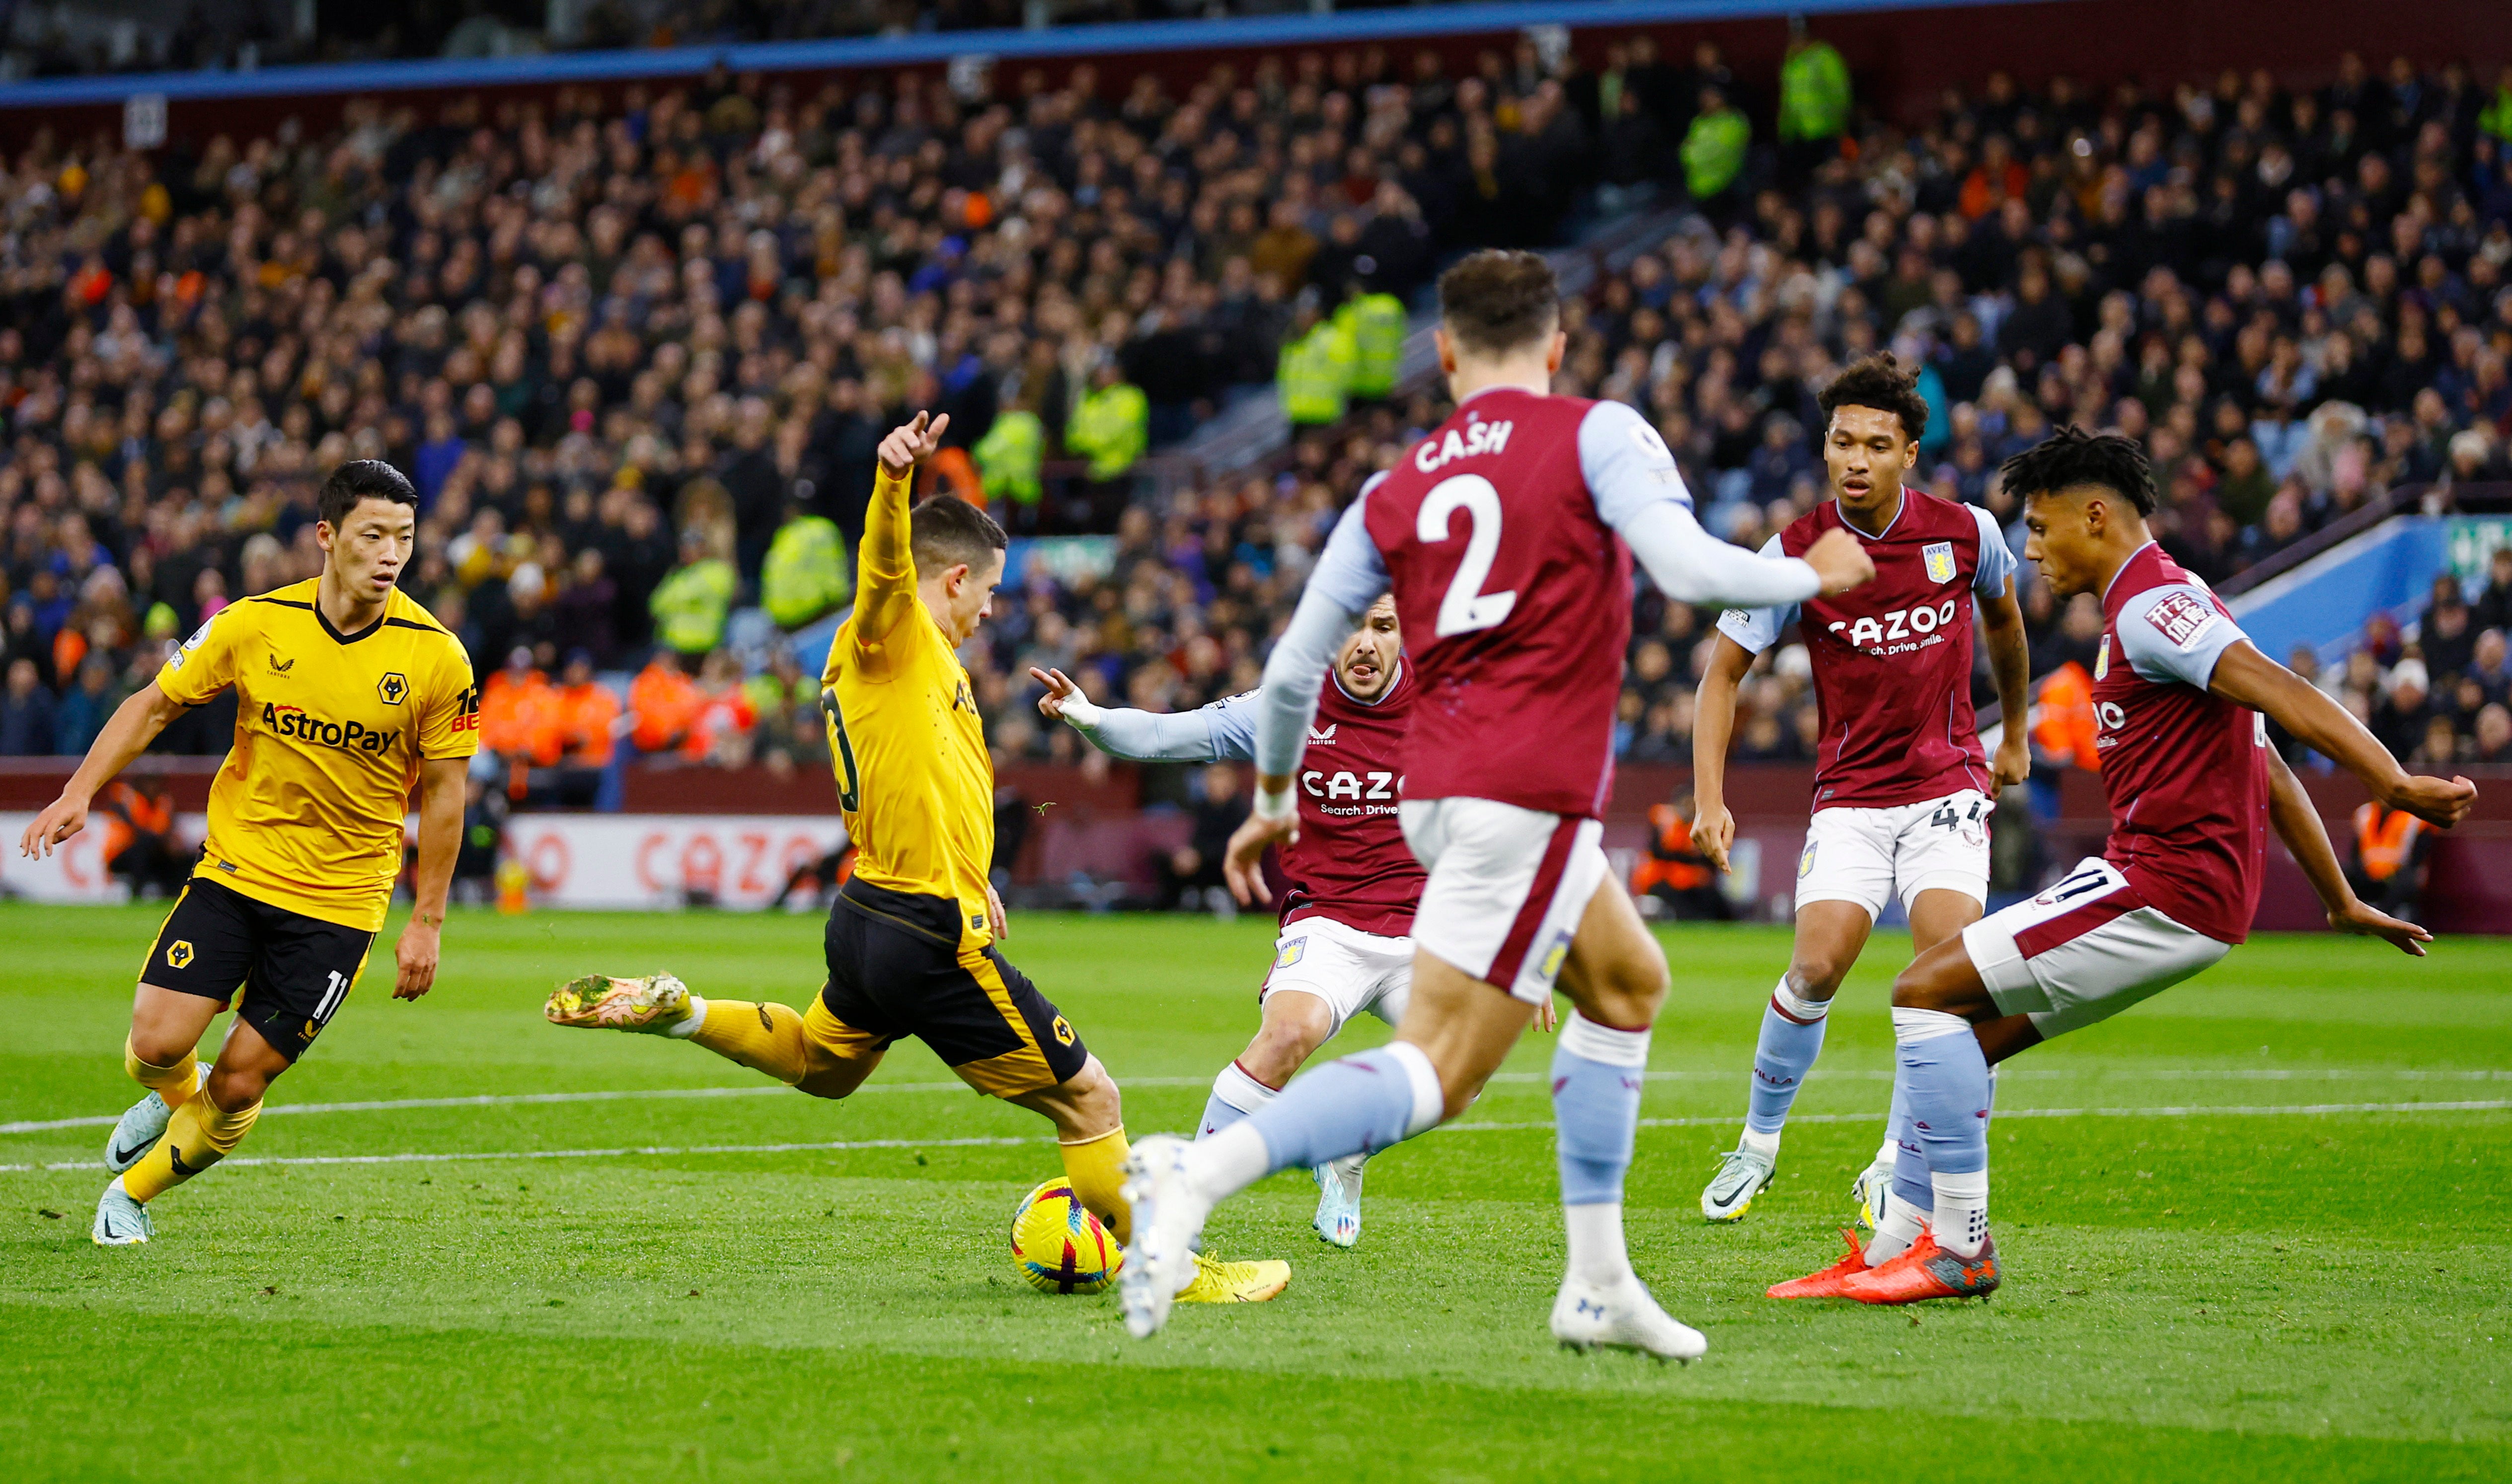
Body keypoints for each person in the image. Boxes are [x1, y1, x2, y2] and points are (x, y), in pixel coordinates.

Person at [1115, 249, 1875, 1353]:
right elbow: (1685, 564)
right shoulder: (1596, 432)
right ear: (1556, 349)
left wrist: (1272, 794)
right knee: (1439, 1070)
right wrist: (1811, 576)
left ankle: (1598, 1281)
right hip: (1520, 789)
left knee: (1625, 985)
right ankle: (1193, 1176)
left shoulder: (1398, 482)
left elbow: (1288, 676)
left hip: (1448, 792)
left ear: (1447, 355)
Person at [545, 411, 1287, 1305]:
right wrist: (891, 484)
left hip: (872, 912)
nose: (992, 611)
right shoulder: (894, 634)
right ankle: (1181, 1274)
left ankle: (683, 1012)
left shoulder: (927, 662)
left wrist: (978, 878)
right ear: (958, 577)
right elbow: (885, 572)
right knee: (1091, 1100)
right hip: (924, 930)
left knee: (827, 1062)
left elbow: (934, 782)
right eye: (989, 592)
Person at [1771, 428, 2473, 1305]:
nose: (2029, 549)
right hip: (2167, 888)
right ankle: (1892, 1244)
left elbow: (2278, 693)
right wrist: (2338, 898)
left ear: (2094, 515)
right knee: (1966, 1034)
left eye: (2039, 526)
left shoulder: (2151, 606)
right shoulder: (2164, 602)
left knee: (1921, 992)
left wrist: (2392, 780)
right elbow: (2261, 759)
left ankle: (1958, 1249)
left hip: (2161, 888)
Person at [18, 460, 476, 1246]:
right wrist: (80, 789)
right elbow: (156, 702)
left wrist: (426, 920)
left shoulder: (437, 658)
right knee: (156, 1047)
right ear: (327, 537)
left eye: (403, 538)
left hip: (339, 905)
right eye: (372, 536)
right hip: (238, 871)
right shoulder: (256, 622)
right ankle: (170, 1094)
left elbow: (444, 796)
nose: (390, 554)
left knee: (238, 1083)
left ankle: (133, 1194)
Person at [1689, 353, 2032, 1225]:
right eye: (1841, 441)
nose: (1853, 459)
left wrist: (2017, 731)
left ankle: (1891, 1159)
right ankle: (1756, 1144)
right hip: (1850, 795)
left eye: (1874, 445)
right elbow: (1721, 674)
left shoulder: (1965, 533)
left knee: (1942, 979)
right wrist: (1708, 798)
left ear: (1908, 452)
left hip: (1947, 788)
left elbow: (2004, 619)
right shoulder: (1795, 550)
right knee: (1813, 966)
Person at [1035, 594, 1466, 1247]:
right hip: (1329, 926)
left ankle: (1347, 1154)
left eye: (1382, 628)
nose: (1366, 644)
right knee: (1290, 1031)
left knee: (1464, 1068)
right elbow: (1163, 736)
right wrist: (1087, 715)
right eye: (1351, 627)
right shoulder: (1287, 706)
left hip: (1423, 935)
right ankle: (1185, 1200)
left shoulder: (1449, 708)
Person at [1630, 791, 1731, 921]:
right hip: (1662, 878)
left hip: (1690, 879)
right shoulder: (1665, 821)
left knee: (1713, 899)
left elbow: (1708, 858)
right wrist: (1689, 857)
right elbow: (1658, 852)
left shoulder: (1700, 824)